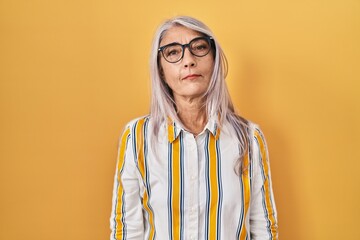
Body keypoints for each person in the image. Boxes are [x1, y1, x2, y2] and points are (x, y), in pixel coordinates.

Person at [110, 16, 278, 240]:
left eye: (199, 48)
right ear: (161, 70)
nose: (188, 60)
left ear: (214, 59)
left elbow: (264, 229)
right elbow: (126, 231)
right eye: (173, 52)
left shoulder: (248, 138)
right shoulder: (137, 137)